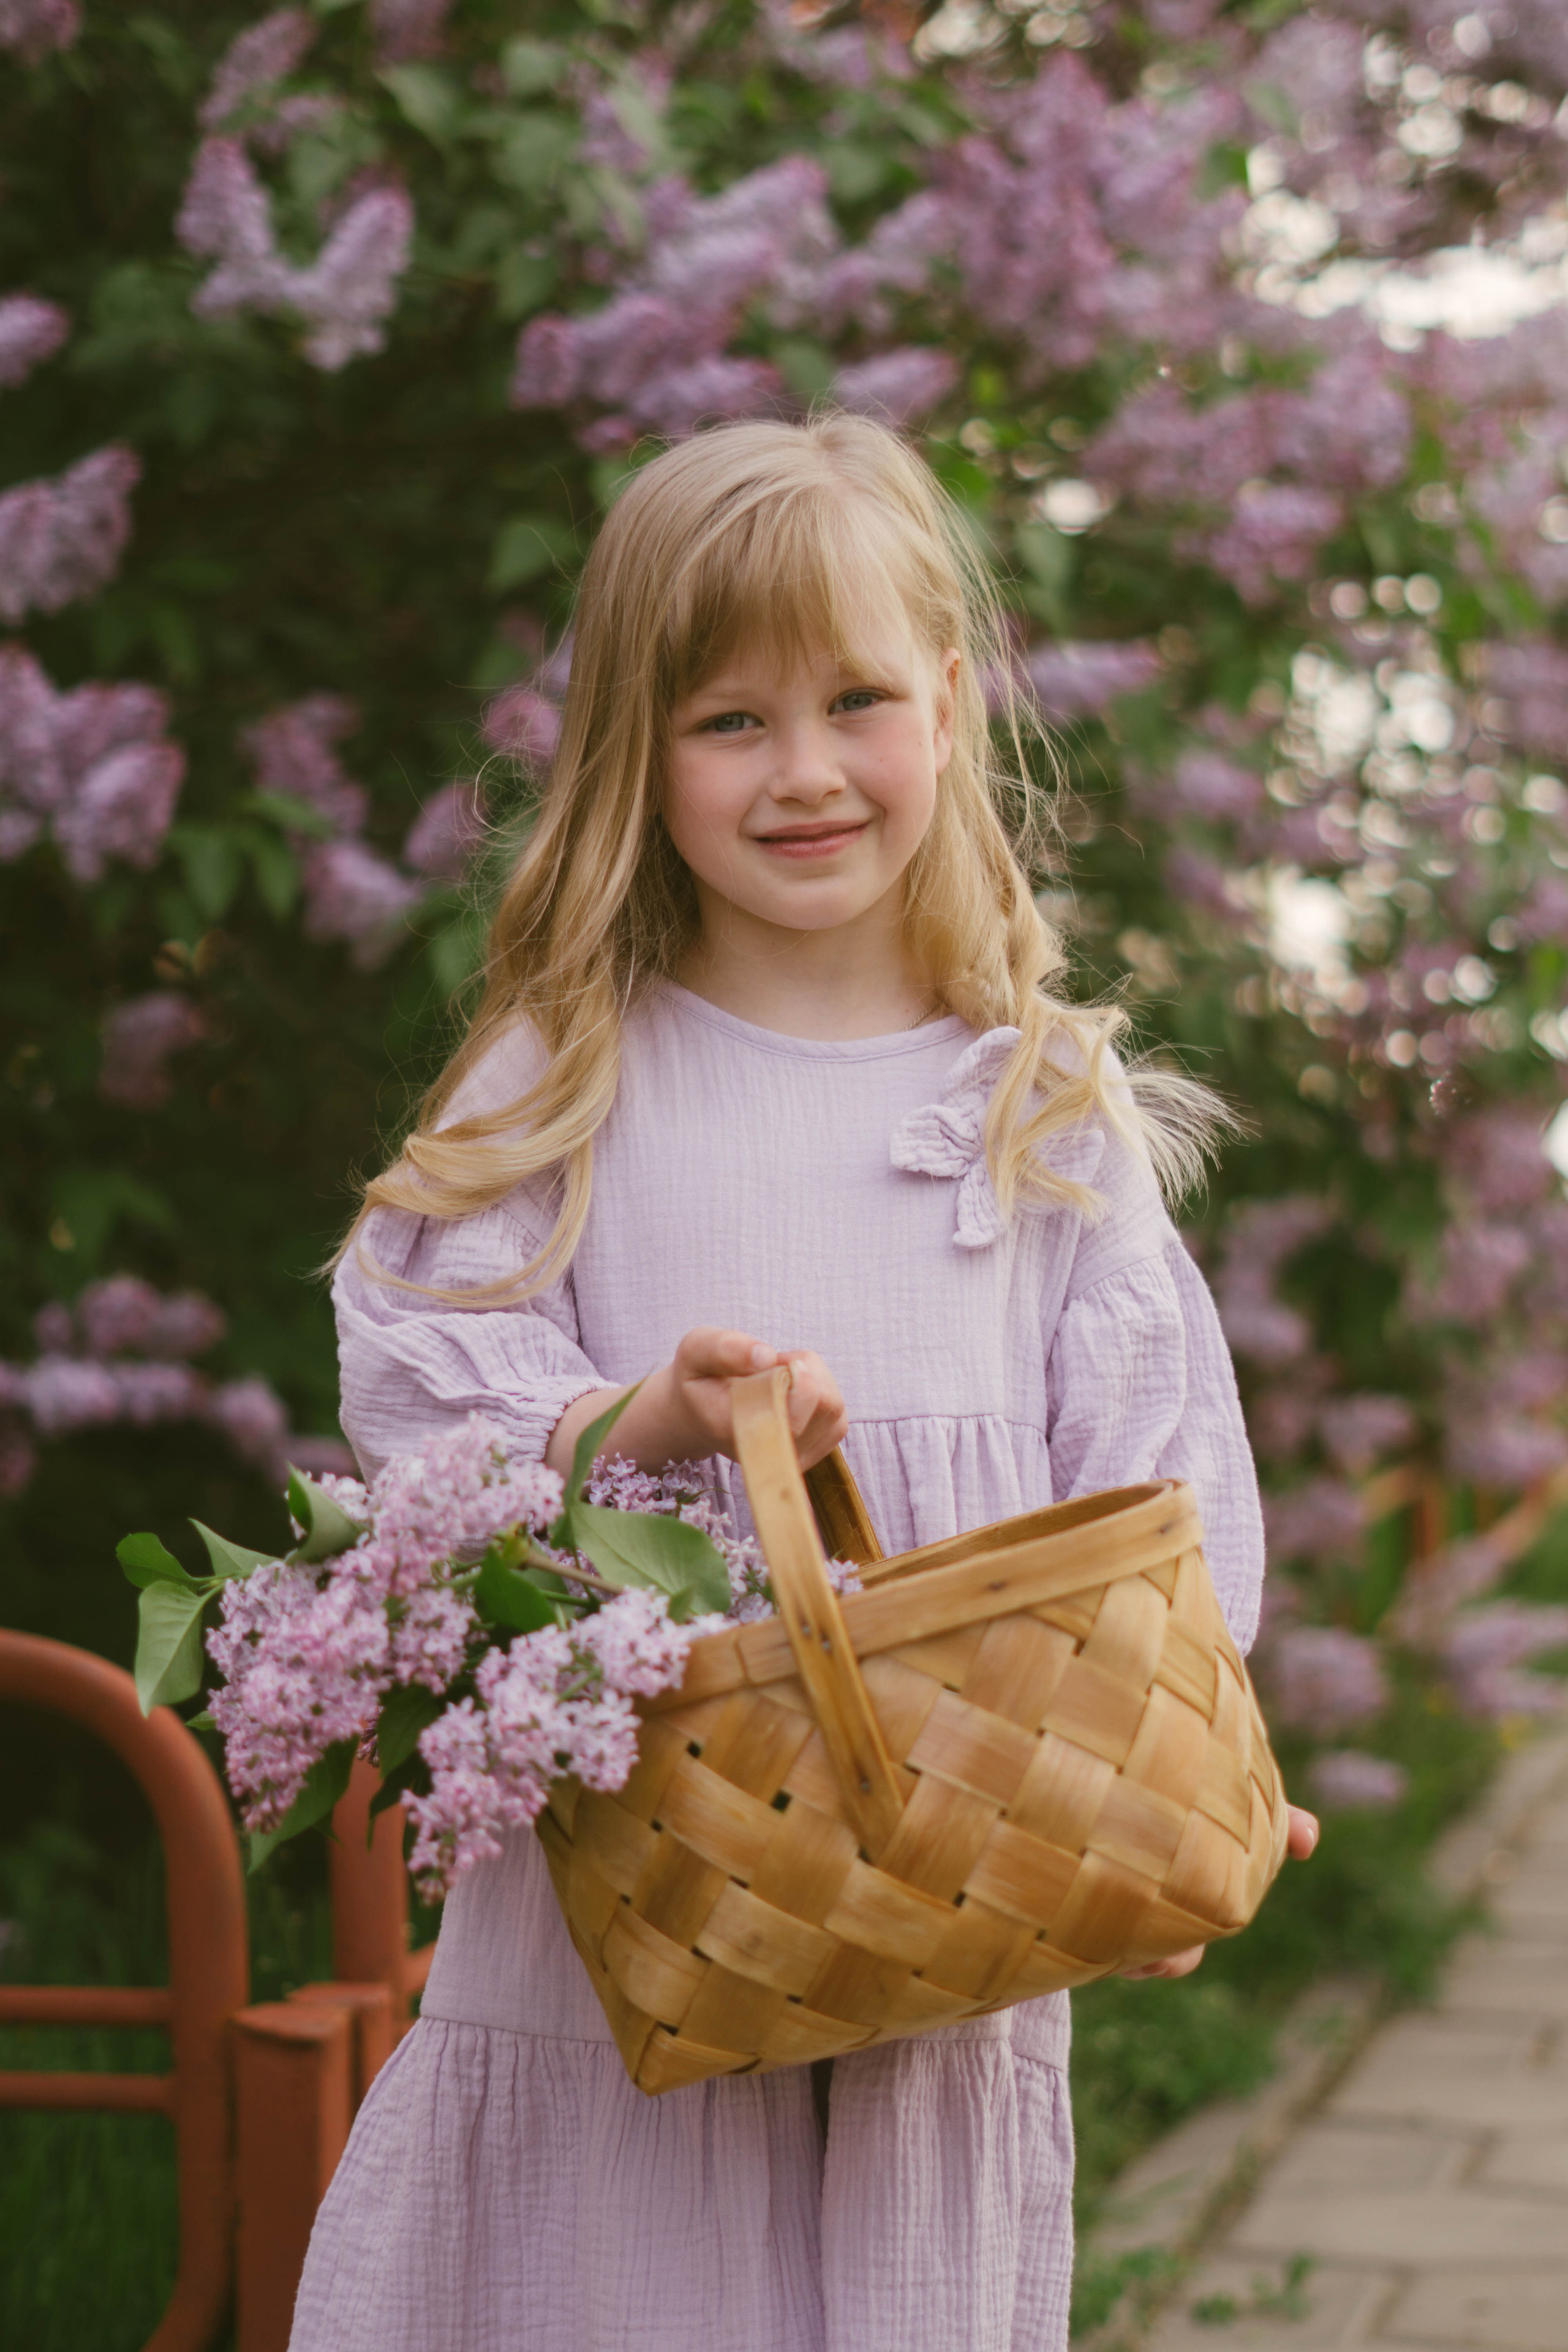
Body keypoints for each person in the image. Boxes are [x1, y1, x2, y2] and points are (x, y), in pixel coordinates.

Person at [292, 411, 1316, 2352]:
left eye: (856, 699)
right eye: (729, 722)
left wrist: (1189, 1781)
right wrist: (638, 1426)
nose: (808, 771)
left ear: (946, 698)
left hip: (957, 1901)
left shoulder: (1039, 1104)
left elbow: (1160, 1493)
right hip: (639, 1934)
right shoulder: (566, 1075)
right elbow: (419, 1402)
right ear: (635, 755)